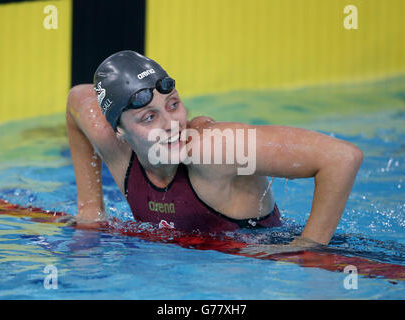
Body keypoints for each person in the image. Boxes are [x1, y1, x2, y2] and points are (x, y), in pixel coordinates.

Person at [64, 50, 363, 250]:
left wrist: (307, 248)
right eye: (149, 117)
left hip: (256, 255)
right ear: (119, 130)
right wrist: (90, 208)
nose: (171, 125)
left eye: (173, 105)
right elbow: (77, 98)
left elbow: (341, 158)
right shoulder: (115, 147)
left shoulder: (214, 149)